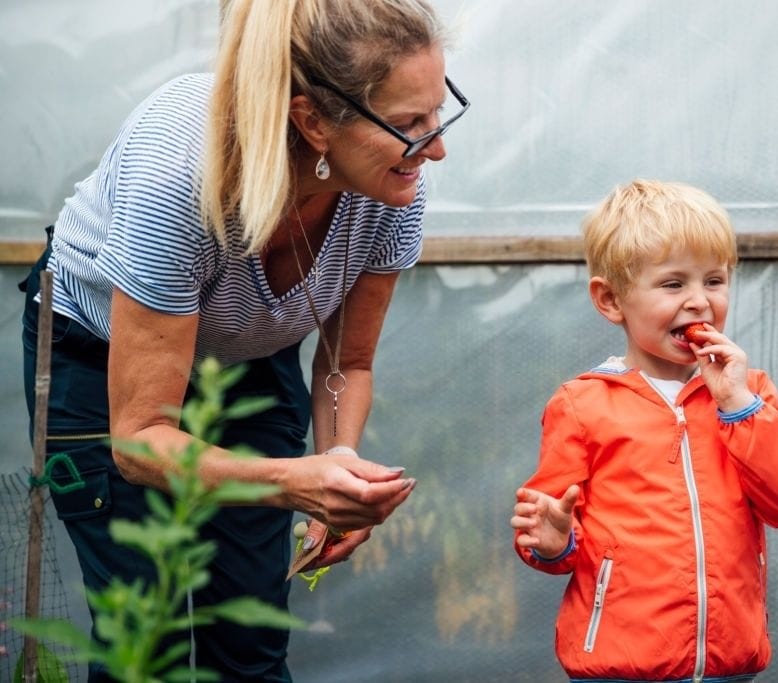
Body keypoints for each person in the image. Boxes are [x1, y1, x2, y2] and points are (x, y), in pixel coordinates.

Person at [20, 0, 469, 679]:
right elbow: (140, 437)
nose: (434, 148)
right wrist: (293, 480)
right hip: (100, 358)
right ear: (312, 121)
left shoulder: (391, 189)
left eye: (438, 113)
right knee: (149, 644)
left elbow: (346, 359)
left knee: (249, 638)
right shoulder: (182, 180)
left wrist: (337, 462)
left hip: (244, 355)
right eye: (409, 125)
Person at [510, 180, 778, 682]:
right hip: (618, 668)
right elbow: (548, 530)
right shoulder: (583, 403)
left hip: (731, 665)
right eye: (673, 284)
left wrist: (737, 405)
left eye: (714, 281)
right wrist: (551, 542)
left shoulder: (751, 393)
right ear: (611, 300)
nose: (699, 301)